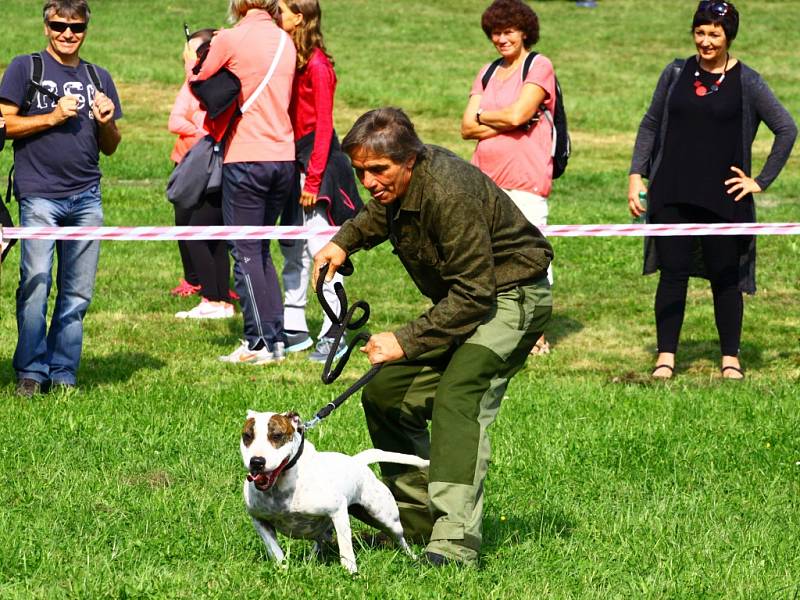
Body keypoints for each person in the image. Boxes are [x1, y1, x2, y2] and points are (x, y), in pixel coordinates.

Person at [313, 107, 553, 566]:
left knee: (458, 397)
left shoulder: (449, 191)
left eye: (378, 169)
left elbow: (475, 294)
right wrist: (344, 241)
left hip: (512, 298)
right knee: (386, 393)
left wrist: (404, 340)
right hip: (471, 299)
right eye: (361, 171)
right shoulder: (400, 185)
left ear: (410, 160)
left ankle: (455, 542)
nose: (369, 181)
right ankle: (414, 521)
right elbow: (380, 212)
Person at [628, 1, 796, 380]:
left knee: (725, 276)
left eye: (714, 34)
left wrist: (760, 181)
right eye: (700, 32)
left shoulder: (748, 81)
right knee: (673, 274)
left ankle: (730, 359)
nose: (705, 41)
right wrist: (636, 174)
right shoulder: (675, 72)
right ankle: (666, 357)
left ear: (728, 36)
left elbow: (786, 128)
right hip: (671, 193)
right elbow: (650, 124)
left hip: (725, 198)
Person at [0, 0, 122, 397]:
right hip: (38, 195)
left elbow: (112, 147)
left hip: (86, 196)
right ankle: (31, 372)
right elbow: (5, 125)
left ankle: (64, 373)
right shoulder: (25, 67)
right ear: (46, 26)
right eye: (59, 25)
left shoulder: (98, 76)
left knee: (78, 291)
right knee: (36, 284)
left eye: (76, 27)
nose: (67, 33)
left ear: (86, 27)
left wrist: (106, 123)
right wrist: (52, 117)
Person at [192, 0, 296, 364]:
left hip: (246, 154)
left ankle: (258, 343)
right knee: (262, 250)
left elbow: (198, 80)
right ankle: (277, 338)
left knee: (246, 251)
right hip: (283, 155)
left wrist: (201, 51)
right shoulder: (287, 40)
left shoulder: (231, 38)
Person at [461, 0, 556, 357]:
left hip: (526, 180)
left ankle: (536, 334)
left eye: (508, 31)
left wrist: (487, 115)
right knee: (486, 256)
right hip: (484, 180)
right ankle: (496, 326)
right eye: (496, 32)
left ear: (524, 32)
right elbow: (466, 127)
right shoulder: (487, 71)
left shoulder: (538, 65)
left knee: (531, 255)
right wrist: (502, 118)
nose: (502, 39)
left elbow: (521, 113)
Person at [276, 0, 363, 362]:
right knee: (291, 249)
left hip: (319, 163)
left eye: (280, 9)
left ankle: (334, 332)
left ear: (299, 17)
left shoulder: (318, 65)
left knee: (323, 254)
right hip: (291, 158)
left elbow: (324, 125)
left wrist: (313, 181)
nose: (275, 15)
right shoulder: (288, 59)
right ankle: (294, 327)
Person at [169, 28, 235, 320]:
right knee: (214, 234)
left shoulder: (212, 84)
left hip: (213, 169)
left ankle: (212, 298)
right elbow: (177, 119)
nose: (190, 58)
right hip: (212, 166)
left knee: (195, 233)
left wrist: (200, 127)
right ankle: (220, 300)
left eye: (196, 53)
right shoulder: (211, 84)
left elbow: (207, 115)